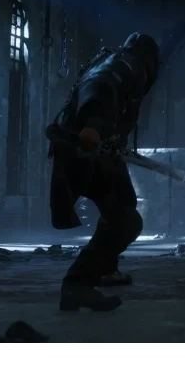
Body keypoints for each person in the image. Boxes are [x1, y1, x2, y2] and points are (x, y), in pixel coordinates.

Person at [47, 33, 161, 312]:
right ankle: (77, 285)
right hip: (83, 148)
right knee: (126, 221)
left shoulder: (119, 61)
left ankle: (106, 270)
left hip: (98, 150)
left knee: (123, 203)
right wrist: (94, 125)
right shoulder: (127, 64)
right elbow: (101, 85)